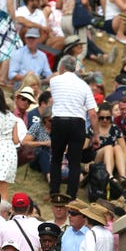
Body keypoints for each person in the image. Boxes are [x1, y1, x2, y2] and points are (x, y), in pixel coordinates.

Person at [49, 54, 100, 199]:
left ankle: (54, 191)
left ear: (63, 67)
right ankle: (71, 195)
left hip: (59, 120)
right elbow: (92, 114)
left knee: (56, 158)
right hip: (77, 123)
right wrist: (96, 135)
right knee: (75, 161)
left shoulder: (54, 81)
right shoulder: (84, 85)